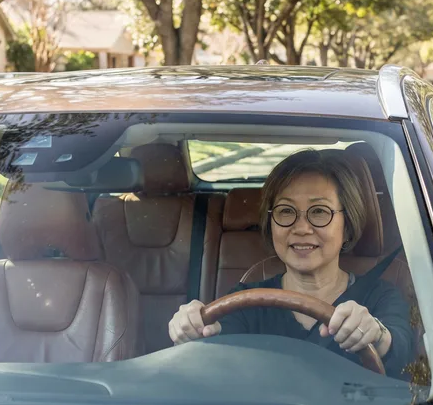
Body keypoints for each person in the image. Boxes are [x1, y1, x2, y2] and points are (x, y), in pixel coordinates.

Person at [168, 149, 415, 377]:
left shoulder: (381, 297)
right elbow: (213, 353)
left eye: (319, 211)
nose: (302, 228)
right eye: (286, 211)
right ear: (271, 224)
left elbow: (401, 352)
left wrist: (377, 336)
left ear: (347, 226)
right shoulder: (246, 302)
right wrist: (191, 328)